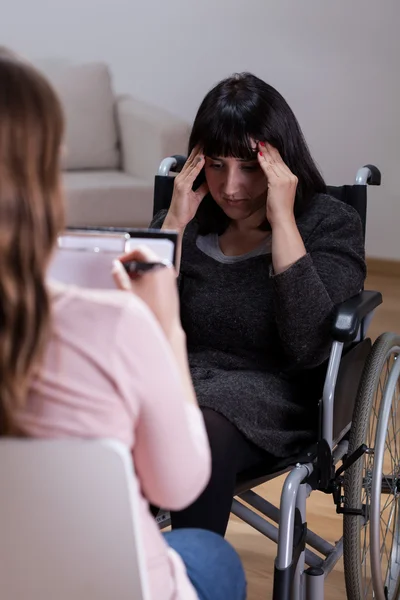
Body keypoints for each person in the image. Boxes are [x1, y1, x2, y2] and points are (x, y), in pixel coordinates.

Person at [0, 49, 247, 600]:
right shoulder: (113, 323)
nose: (233, 186)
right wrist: (164, 326)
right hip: (108, 582)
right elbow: (179, 485)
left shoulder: (326, 223)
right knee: (211, 556)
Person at [151, 72, 366, 537]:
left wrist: (283, 222)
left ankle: (197, 580)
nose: (231, 187)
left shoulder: (330, 224)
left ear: (280, 163)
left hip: (273, 397)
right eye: (216, 164)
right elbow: (141, 331)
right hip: (176, 385)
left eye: (249, 167)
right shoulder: (184, 221)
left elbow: (308, 345)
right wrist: (173, 224)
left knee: (198, 429)